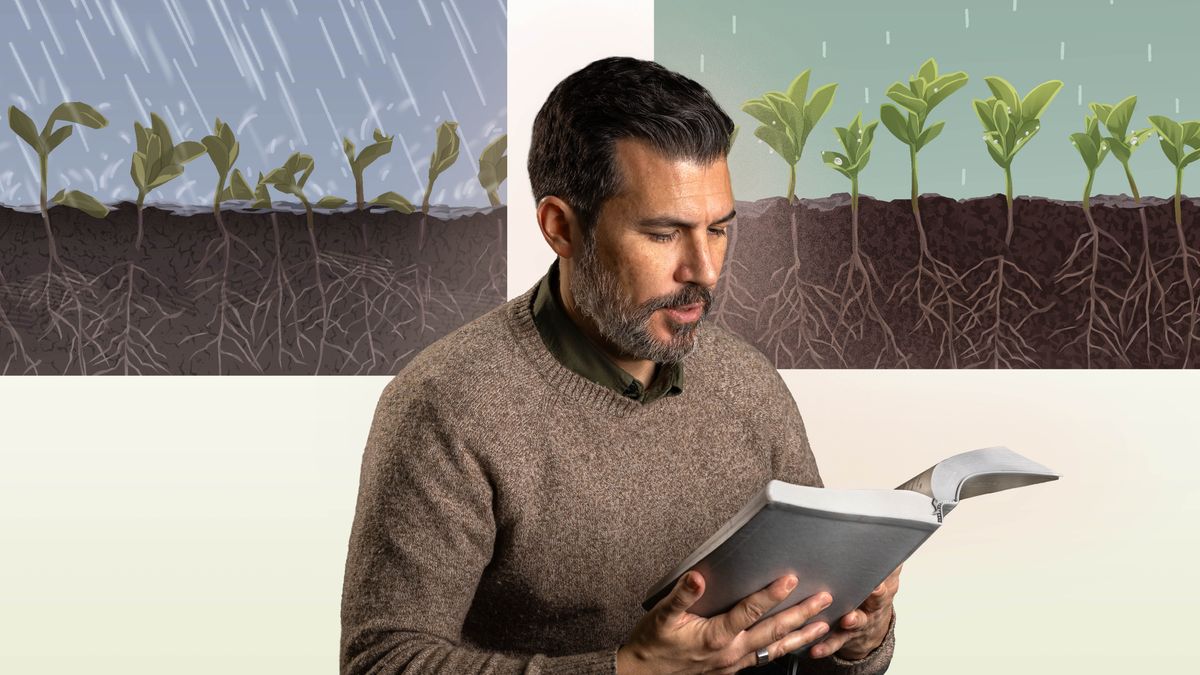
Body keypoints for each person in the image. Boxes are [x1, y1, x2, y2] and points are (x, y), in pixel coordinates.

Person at [340, 56, 898, 674]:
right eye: (664, 234)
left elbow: (797, 638)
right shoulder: (447, 405)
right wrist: (629, 669)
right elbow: (379, 663)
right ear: (560, 227)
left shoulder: (749, 382)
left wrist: (857, 638)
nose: (706, 271)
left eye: (718, 230)